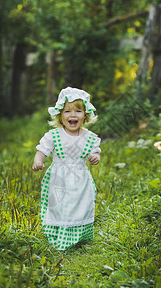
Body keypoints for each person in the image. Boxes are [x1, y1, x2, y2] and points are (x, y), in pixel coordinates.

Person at [32, 87, 101, 250]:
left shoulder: (89, 137)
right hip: (59, 178)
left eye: (78, 111)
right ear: (60, 116)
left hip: (80, 180)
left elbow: (95, 152)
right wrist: (38, 161)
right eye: (67, 111)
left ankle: (80, 235)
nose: (73, 115)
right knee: (60, 207)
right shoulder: (54, 135)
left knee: (80, 205)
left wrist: (95, 157)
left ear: (85, 115)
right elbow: (42, 150)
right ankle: (58, 234)